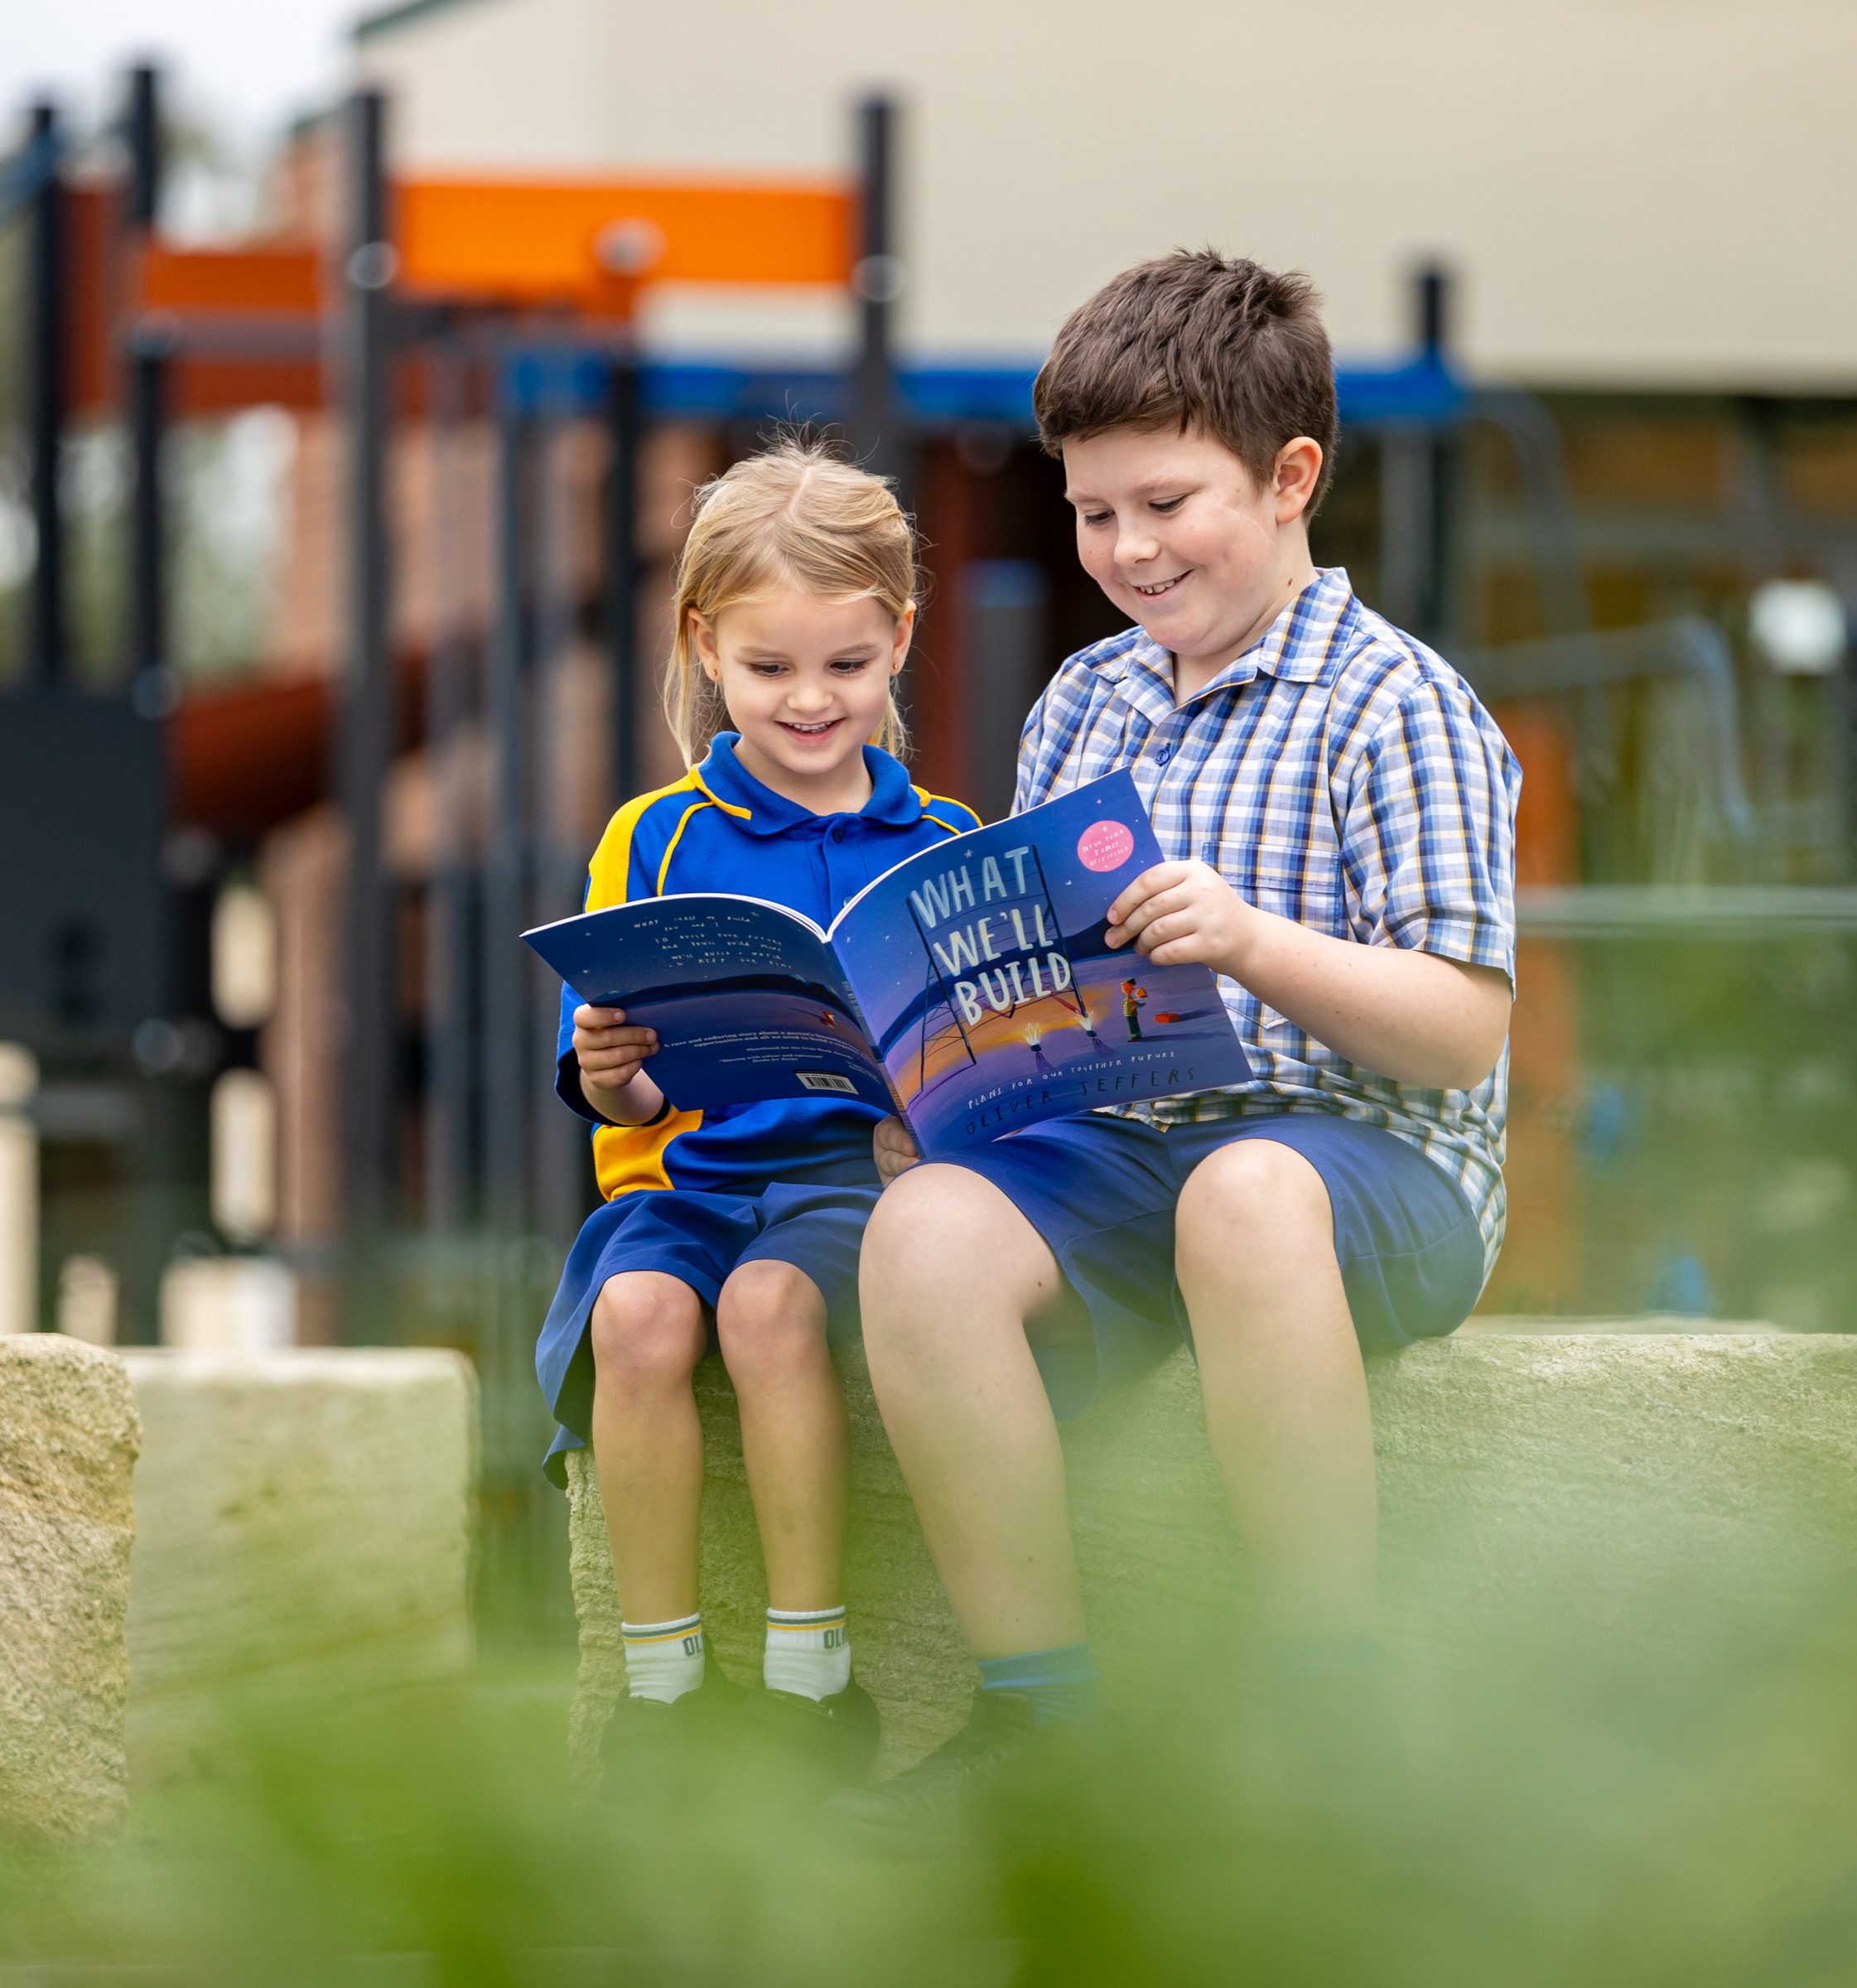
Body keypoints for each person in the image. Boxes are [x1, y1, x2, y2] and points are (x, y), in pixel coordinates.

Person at [834, 253, 1521, 1838]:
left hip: (1369, 1164)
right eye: (1093, 515)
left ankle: (1319, 1699)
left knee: (1246, 1197)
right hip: (1133, 1137)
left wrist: (1256, 944)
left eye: (1166, 503)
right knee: (926, 1230)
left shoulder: (1395, 704)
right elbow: (1046, 986)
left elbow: (1464, 1032)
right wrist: (934, 1076)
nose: (1128, 550)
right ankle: (1039, 1711)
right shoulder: (1085, 702)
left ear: (1290, 480)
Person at [538, 439, 982, 1799]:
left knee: (770, 1314)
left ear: (898, 641)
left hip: (849, 1193)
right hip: (687, 1183)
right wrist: (614, 1063)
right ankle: (663, 1691)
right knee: (638, 1319)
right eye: (770, 667)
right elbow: (620, 1088)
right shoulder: (656, 836)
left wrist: (931, 1121)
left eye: (846, 667)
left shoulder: (945, 839)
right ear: (704, 648)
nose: (809, 700)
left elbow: (979, 1061)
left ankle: (809, 1674)